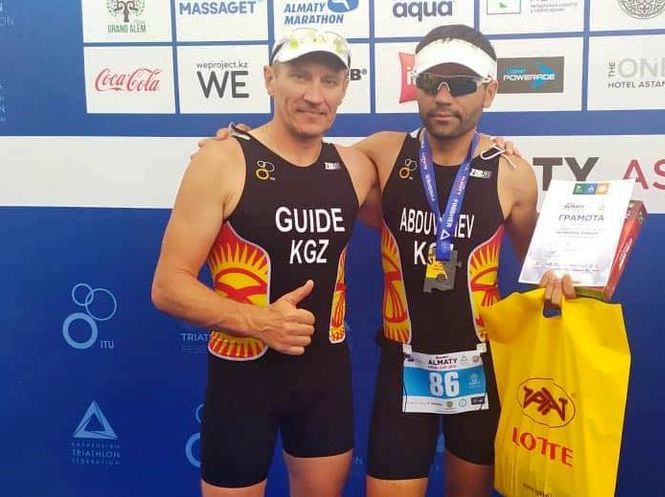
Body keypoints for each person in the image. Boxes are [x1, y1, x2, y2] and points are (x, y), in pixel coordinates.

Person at [207, 24, 574, 497]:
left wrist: (566, 281)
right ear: (415, 86)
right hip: (403, 365)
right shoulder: (380, 153)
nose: (444, 97)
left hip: (480, 365)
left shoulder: (512, 171)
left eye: (462, 84)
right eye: (431, 82)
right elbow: (298, 160)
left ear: (489, 91)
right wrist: (237, 144)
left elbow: (539, 264)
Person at [151, 28, 379, 497]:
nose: (314, 95)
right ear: (270, 79)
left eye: (329, 81)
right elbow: (168, 285)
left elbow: (431, 182)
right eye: (299, 76)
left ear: (344, 88)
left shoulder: (356, 168)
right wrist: (259, 322)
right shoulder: (222, 161)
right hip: (242, 383)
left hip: (325, 384)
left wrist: (489, 145)